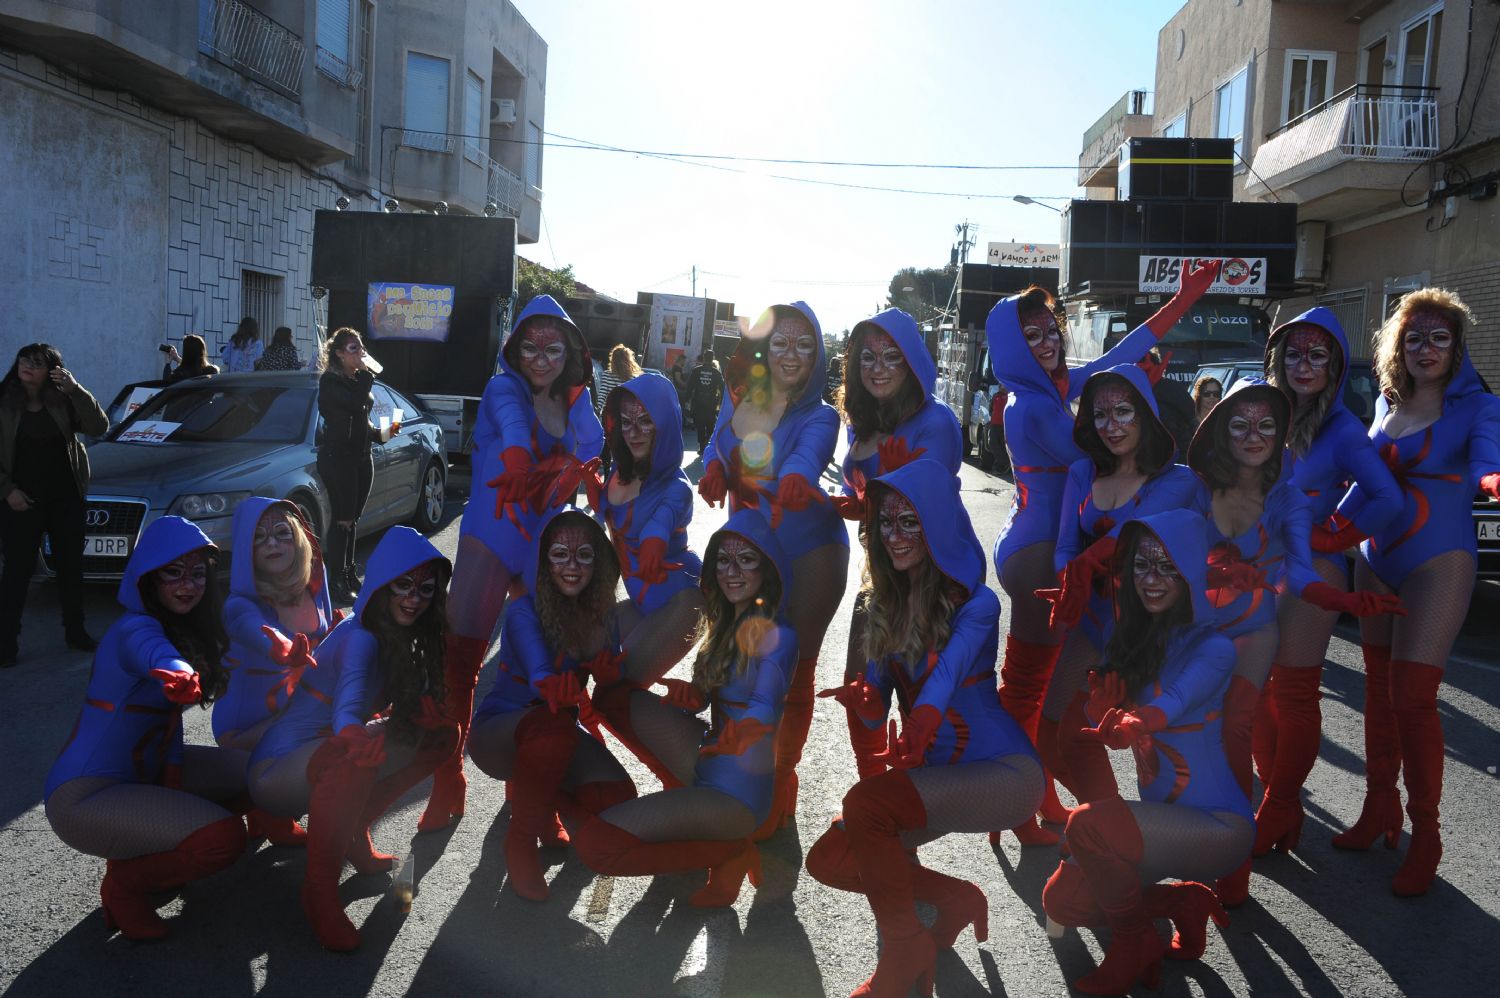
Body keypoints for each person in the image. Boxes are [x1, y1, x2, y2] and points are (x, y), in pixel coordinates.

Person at [983, 260, 1220, 846]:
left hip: (1050, 543)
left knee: (1043, 687)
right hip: (1040, 552)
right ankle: (1019, 806)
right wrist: (1136, 397)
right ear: (1011, 347)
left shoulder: (1058, 386)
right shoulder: (1033, 404)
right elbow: (1104, 441)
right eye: (1030, 335)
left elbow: (1129, 348)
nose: (1046, 341)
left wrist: (1186, 296)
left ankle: (1034, 800)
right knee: (1027, 687)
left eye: (1050, 327)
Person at [808, 460, 1043, 997]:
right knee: (831, 858)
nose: (894, 535)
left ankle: (902, 953)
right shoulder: (877, 605)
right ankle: (952, 898)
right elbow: (873, 710)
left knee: (866, 807)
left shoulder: (976, 603)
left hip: (1005, 775)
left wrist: (922, 722)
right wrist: (865, 700)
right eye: (884, 522)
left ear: (937, 522)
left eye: (908, 521)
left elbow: (949, 672)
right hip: (941, 778)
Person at [1187, 378, 1400, 905]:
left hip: (1256, 629)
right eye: (1240, 424)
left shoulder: (1289, 501)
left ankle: (1233, 858)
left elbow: (1301, 574)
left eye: (1265, 425)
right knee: (1194, 734)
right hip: (1201, 629)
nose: (1253, 435)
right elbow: (1162, 544)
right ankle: (1204, 840)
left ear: (1280, 434)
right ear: (1221, 430)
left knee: (1235, 726)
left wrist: (1345, 601)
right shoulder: (1192, 486)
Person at [1329, 288, 1500, 896]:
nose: (1426, 348)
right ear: (1398, 347)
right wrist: (1326, 532)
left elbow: (1487, 452)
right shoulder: (1385, 402)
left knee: (1413, 697)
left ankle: (1427, 832)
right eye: (1414, 338)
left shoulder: (1480, 407)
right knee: (1378, 693)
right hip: (1376, 558)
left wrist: (1491, 475)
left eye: (1440, 337)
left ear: (1457, 347)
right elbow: (1368, 480)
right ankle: (1381, 809)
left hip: (1440, 560)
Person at [1041, 510, 1250, 996]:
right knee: (1063, 903)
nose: (1151, 579)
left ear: (1191, 573)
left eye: (1166, 565)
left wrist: (1135, 721)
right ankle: (1179, 904)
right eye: (1141, 564)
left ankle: (1133, 944)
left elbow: (1174, 703)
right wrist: (1096, 715)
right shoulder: (1136, 640)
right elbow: (1089, 739)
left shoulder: (1214, 648)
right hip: (1159, 825)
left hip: (1217, 828)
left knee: (1085, 827)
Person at [420, 295, 603, 833]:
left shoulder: (577, 400)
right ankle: (447, 777)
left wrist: (584, 476)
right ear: (515, 348)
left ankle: (531, 787)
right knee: (460, 660)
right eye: (531, 345)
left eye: (552, 347)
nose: (541, 357)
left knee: (541, 663)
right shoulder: (505, 388)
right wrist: (525, 458)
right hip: (491, 537)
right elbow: (511, 427)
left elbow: (593, 457)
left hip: (540, 545)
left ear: (568, 350)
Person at [248, 527, 459, 950]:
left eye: (425, 589)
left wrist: (416, 715)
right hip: (277, 771)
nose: (414, 597)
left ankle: (354, 829)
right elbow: (348, 704)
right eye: (403, 584)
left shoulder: (401, 635)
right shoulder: (362, 638)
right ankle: (319, 892)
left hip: (323, 752)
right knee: (354, 758)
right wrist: (355, 732)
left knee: (440, 735)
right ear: (382, 583)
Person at [571, 510, 794, 908]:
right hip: (706, 758)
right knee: (615, 695)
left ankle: (730, 852)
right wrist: (691, 696)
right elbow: (709, 698)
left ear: (768, 569)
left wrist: (745, 730)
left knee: (595, 846)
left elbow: (764, 702)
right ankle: (689, 811)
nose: (732, 571)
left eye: (746, 559)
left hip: (736, 796)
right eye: (723, 559)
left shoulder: (780, 635)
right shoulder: (724, 623)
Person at [44, 516, 248, 940]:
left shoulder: (184, 629)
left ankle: (152, 852)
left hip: (145, 776)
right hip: (85, 796)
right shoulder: (136, 628)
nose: (188, 585)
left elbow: (167, 723)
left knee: (257, 774)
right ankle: (125, 884)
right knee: (224, 838)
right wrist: (174, 670)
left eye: (196, 573)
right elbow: (150, 651)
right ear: (148, 578)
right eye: (173, 573)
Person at [1250, 309, 1403, 859]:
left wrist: (1330, 537)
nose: (1304, 364)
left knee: (1291, 694)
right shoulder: (1257, 407)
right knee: (1257, 690)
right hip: (1253, 569)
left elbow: (1387, 497)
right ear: (1277, 358)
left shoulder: (1340, 430)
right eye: (1294, 353)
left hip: (1311, 572)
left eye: (1317, 355)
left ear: (1335, 365)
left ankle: (1281, 803)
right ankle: (1276, 796)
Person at [699, 302, 847, 837]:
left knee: (793, 672)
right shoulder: (739, 393)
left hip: (810, 556)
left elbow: (806, 459)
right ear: (765, 348)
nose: (791, 353)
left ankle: (782, 781)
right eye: (780, 342)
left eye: (804, 344)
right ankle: (731, 774)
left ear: (818, 355)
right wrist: (717, 466)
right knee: (736, 659)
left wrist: (793, 481)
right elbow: (719, 438)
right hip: (750, 554)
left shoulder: (823, 415)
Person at [1036, 365, 1200, 810]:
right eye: (1100, 415)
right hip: (1091, 621)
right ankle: (1107, 825)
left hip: (1146, 632)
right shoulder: (1081, 472)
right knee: (1051, 735)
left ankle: (1124, 839)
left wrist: (1081, 571)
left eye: (1123, 411)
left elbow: (1124, 537)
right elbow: (1067, 545)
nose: (1111, 425)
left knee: (1135, 744)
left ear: (1146, 413)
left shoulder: (1178, 480)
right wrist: (1068, 580)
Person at [468, 507, 635, 900]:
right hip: (500, 732)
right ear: (544, 561)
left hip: (558, 729)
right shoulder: (525, 611)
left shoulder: (603, 614)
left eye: (584, 554)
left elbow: (611, 674)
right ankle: (520, 841)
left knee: (617, 802)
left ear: (599, 559)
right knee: (552, 727)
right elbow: (539, 669)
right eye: (560, 554)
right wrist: (550, 684)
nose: (572, 566)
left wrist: (611, 674)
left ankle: (542, 802)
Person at [833, 307, 962, 779]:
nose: (879, 367)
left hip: (930, 583)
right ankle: (875, 795)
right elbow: (864, 492)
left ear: (913, 363)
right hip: (877, 578)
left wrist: (880, 494)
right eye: (867, 357)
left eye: (892, 356)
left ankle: (908, 810)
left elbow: (933, 509)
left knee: (922, 699)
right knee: (859, 692)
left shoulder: (937, 423)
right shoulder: (862, 420)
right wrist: (853, 502)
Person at [591, 374, 707, 777]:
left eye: (645, 421)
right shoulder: (619, 478)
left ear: (665, 426)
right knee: (578, 650)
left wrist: (656, 541)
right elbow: (608, 530)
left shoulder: (675, 486)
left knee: (614, 692)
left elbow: (662, 518)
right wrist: (595, 500)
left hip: (681, 599)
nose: (635, 431)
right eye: (626, 421)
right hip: (643, 603)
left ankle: (683, 766)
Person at [211, 497, 338, 845]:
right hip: (246, 725)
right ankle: (267, 805)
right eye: (259, 537)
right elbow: (257, 630)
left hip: (295, 708)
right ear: (245, 550)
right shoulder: (240, 605)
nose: (272, 543)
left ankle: (264, 803)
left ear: (298, 538)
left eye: (282, 533)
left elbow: (331, 632)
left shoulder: (315, 583)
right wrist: (283, 647)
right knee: (340, 738)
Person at [0, 343, 109, 666]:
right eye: (24, 360)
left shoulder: (62, 401)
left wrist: (76, 390)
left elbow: (98, 426)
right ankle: (6, 644)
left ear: (52, 371)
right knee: (17, 573)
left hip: (65, 498)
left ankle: (75, 633)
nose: (27, 366)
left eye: (36, 362)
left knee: (70, 570)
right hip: (21, 501)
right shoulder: (4, 402)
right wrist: (7, 491)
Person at [317, 328, 392, 604]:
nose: (360, 353)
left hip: (361, 457)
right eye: (353, 349)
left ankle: (349, 574)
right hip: (339, 459)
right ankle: (336, 579)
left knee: (353, 520)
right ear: (338, 354)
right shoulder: (331, 382)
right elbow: (350, 406)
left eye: (361, 347)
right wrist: (366, 381)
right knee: (343, 519)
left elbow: (361, 420)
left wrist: (381, 433)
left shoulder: (357, 381)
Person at [688, 349, 725, 452]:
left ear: (704, 358)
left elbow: (690, 386)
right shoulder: (716, 372)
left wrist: (686, 399)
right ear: (712, 358)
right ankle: (707, 442)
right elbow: (722, 387)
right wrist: (722, 402)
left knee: (700, 423)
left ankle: (702, 445)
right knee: (710, 423)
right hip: (711, 402)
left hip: (699, 401)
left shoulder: (696, 370)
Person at [595, 344, 643, 418]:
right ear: (628, 360)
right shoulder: (633, 378)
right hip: (627, 416)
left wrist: (597, 411)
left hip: (610, 415)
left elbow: (602, 395)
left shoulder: (607, 374)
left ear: (613, 360)